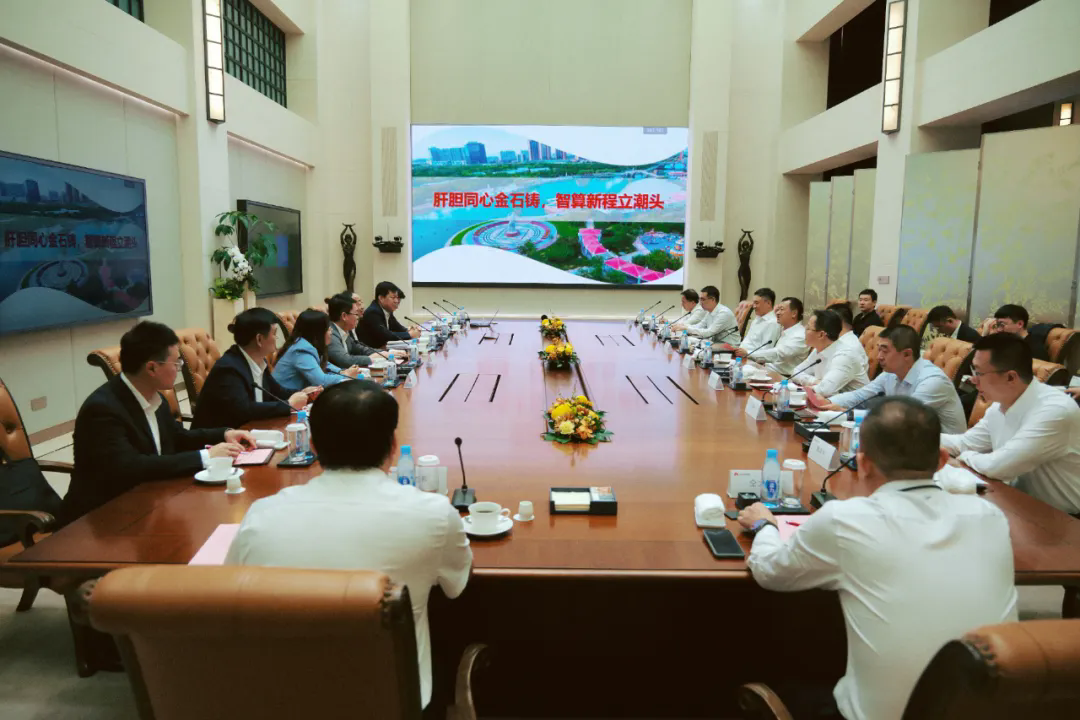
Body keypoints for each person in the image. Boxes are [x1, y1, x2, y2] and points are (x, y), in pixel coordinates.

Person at [739, 396, 1018, 720]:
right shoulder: (989, 516)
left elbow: (769, 573)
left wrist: (764, 525)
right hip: (992, 709)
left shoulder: (845, 519)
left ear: (863, 462)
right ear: (943, 460)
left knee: (795, 674)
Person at [224, 380, 471, 709]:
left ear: (313, 445)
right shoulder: (435, 514)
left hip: (284, 700)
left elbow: (230, 594)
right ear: (393, 446)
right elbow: (456, 586)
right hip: (394, 701)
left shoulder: (261, 515)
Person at [60, 322, 255, 525]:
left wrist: (224, 434)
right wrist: (206, 456)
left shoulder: (153, 396)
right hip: (102, 518)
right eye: (176, 363)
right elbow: (130, 467)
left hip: (148, 500)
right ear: (152, 368)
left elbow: (177, 437)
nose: (179, 369)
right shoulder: (102, 409)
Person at [941, 333, 1080, 516]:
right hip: (1020, 503)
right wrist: (915, 436)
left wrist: (963, 457)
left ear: (1010, 377)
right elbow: (965, 443)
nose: (973, 380)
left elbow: (998, 467)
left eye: (978, 373)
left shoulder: (1055, 411)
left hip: (1065, 519)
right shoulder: (1000, 405)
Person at [818, 325, 967, 433]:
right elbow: (860, 395)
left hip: (944, 454)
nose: (879, 357)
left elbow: (902, 418)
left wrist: (849, 414)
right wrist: (828, 402)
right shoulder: (891, 373)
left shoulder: (933, 381)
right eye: (879, 350)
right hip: (906, 441)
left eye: (885, 351)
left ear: (907, 354)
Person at [192, 308, 314, 430]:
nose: (276, 338)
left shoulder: (258, 361)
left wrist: (304, 393)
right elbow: (244, 410)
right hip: (220, 437)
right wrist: (288, 405)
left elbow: (276, 392)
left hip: (252, 430)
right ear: (259, 339)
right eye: (274, 333)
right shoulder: (228, 368)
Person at [272, 309, 361, 394]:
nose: (331, 331)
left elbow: (325, 364)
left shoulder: (308, 344)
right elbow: (322, 381)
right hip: (286, 399)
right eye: (328, 328)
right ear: (317, 332)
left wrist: (342, 372)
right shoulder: (301, 351)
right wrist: (346, 375)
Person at [793, 309, 869, 396]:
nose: (804, 330)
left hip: (856, 404)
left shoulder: (844, 355)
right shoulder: (819, 349)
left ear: (821, 335)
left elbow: (824, 390)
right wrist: (815, 381)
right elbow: (796, 372)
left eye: (808, 328)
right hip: (830, 399)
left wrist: (817, 384)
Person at [740, 296, 809, 375]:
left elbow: (777, 354)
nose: (777, 313)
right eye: (778, 310)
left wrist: (748, 353)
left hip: (783, 376)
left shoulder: (800, 335)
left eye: (782, 309)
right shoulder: (785, 330)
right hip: (767, 369)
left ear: (794, 313)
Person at [326, 292, 385, 369]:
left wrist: (384, 353)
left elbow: (361, 349)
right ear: (344, 316)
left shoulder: (344, 331)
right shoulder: (330, 334)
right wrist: (371, 359)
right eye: (356, 314)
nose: (358, 317)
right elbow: (345, 361)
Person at [359, 281, 421, 348]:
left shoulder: (386, 310)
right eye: (393, 297)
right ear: (381, 298)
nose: (396, 301)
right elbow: (385, 335)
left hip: (383, 349)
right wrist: (409, 334)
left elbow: (398, 328)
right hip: (372, 351)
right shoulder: (373, 312)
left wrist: (409, 330)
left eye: (397, 298)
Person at [674, 285, 739, 344]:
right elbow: (699, 326)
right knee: (687, 340)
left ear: (713, 299)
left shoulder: (724, 313)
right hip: (717, 343)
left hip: (730, 345)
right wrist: (683, 327)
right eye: (700, 299)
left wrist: (686, 328)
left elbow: (709, 332)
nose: (700, 303)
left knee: (690, 342)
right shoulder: (709, 312)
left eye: (703, 299)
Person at [738, 287, 781, 354]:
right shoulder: (757, 319)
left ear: (768, 303)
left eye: (756, 303)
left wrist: (747, 353)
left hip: (751, 357)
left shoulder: (773, 323)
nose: (754, 306)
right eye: (753, 303)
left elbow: (766, 351)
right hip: (741, 353)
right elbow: (747, 342)